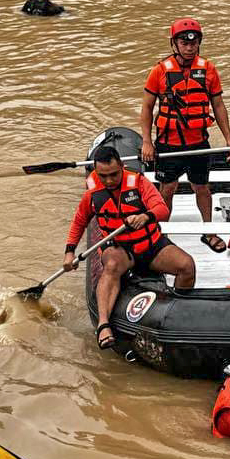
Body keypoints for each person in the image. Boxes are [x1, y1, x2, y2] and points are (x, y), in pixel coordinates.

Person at [65, 146, 196, 350]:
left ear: (122, 167)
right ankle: (103, 325)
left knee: (186, 265)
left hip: (150, 245)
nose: (109, 180)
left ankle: (179, 312)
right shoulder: (92, 193)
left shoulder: (139, 183)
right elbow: (79, 222)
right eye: (103, 176)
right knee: (111, 265)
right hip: (120, 248)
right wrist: (69, 252)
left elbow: (161, 208)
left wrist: (145, 216)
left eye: (114, 174)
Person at [140, 18, 230, 251]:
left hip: (198, 143)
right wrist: (146, 141)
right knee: (167, 189)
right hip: (168, 143)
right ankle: (161, 234)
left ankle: (209, 231)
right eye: (183, 42)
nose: (189, 46)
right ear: (174, 44)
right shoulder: (159, 71)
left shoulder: (209, 69)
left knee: (202, 188)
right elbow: (146, 108)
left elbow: (219, 106)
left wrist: (229, 139)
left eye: (193, 42)